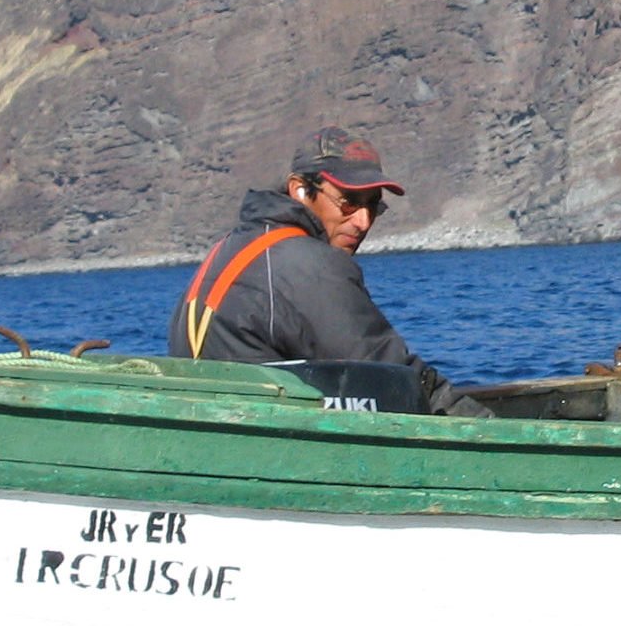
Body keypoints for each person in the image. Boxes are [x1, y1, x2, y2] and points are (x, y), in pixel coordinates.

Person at [168, 126, 488, 416]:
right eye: (348, 202)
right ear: (300, 190)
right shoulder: (309, 267)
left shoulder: (227, 250)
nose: (363, 222)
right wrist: (486, 428)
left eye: (372, 206)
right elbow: (394, 377)